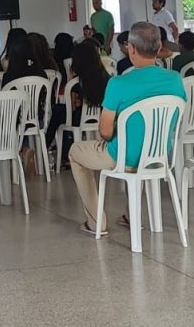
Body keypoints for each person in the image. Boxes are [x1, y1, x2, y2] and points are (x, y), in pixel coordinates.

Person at [69, 23, 185, 236]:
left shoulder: (118, 83)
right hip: (159, 155)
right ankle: (131, 215)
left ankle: (96, 222)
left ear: (131, 49)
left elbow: (105, 132)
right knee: (142, 145)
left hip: (122, 156)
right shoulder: (175, 80)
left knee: (75, 153)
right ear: (159, 48)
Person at [49, 41, 111, 165]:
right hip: (101, 117)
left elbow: (72, 104)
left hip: (78, 119)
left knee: (57, 110)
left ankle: (47, 147)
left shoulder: (77, 82)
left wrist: (70, 77)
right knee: (60, 111)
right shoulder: (106, 77)